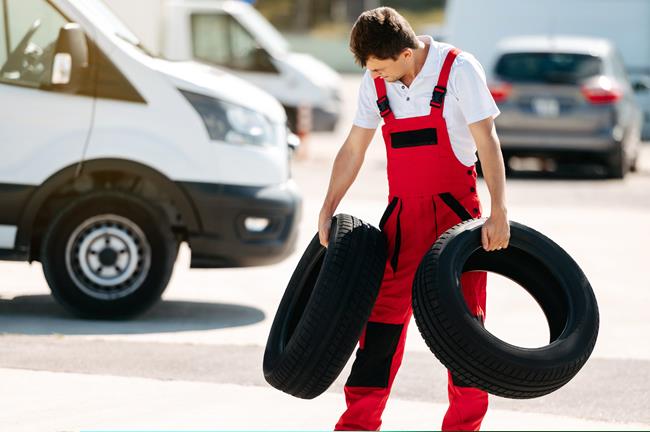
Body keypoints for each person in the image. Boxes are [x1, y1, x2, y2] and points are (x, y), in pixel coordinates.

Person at [317, 7, 510, 431]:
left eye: (382, 69)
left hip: (458, 225)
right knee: (380, 332)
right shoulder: (376, 81)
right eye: (371, 71)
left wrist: (499, 211)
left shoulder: (458, 69)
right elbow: (353, 148)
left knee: (465, 334)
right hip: (401, 222)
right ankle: (357, 425)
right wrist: (328, 207)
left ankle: (463, 427)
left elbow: (487, 141)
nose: (377, 77)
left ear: (407, 53)